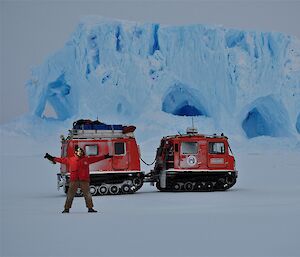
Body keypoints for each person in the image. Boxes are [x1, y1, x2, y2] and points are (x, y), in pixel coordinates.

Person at [44, 146, 112, 213]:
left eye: (81, 151)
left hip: (84, 180)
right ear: (76, 152)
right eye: (79, 152)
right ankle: (66, 209)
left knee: (87, 194)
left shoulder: (86, 159)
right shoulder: (71, 159)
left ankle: (90, 208)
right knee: (70, 195)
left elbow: (96, 159)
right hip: (74, 180)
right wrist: (52, 158)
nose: (81, 153)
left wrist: (105, 156)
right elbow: (61, 160)